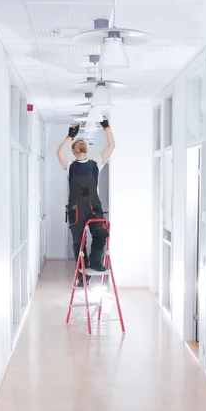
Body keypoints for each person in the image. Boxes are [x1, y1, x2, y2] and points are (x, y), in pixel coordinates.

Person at [57, 119, 115, 286]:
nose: (81, 142)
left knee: (102, 233)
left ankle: (96, 262)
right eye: (78, 142)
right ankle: (83, 276)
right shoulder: (70, 167)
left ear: (86, 149)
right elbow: (60, 153)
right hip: (76, 210)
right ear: (74, 151)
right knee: (78, 243)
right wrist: (70, 137)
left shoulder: (96, 163)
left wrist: (106, 127)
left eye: (83, 142)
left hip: (93, 207)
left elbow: (111, 146)